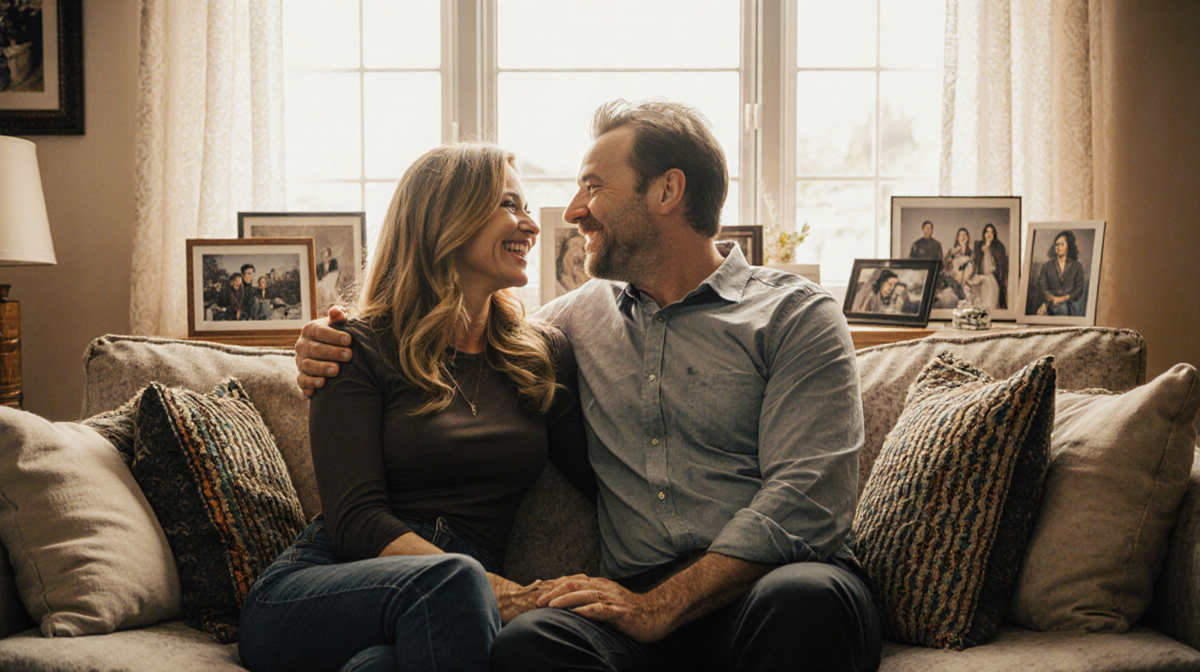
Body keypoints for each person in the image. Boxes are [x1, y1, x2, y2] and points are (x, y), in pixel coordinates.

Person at [294, 100, 881, 672]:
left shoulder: (795, 315)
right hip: (637, 598)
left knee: (807, 600)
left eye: (593, 186)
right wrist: (325, 339)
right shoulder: (565, 324)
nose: (573, 210)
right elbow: (464, 335)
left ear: (667, 191)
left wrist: (665, 605)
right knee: (531, 642)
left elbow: (809, 498)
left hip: (769, 584)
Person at [237, 144, 596, 672]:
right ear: (446, 218)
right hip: (318, 590)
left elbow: (603, 477)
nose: (530, 224)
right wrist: (502, 591)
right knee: (455, 581)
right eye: (508, 205)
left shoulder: (541, 355)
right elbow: (355, 519)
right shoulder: (354, 347)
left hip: (451, 607)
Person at [1034, 230, 1086, 316]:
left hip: (1070, 304)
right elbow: (1042, 287)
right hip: (1050, 303)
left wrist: (1063, 299)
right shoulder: (1047, 266)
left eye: (1062, 244)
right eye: (1057, 245)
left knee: (1063, 308)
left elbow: (1078, 290)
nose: (1059, 248)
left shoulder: (1077, 267)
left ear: (1068, 246)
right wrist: (1051, 300)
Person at [971, 223, 1008, 310]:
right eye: (987, 232)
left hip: (992, 278)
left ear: (994, 234)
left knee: (991, 302)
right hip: (980, 278)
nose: (989, 234)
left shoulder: (998, 247)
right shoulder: (979, 246)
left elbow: (1003, 265)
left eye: (991, 232)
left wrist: (1004, 278)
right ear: (984, 234)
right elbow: (974, 261)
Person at [940, 227, 974, 307]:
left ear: (968, 237)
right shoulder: (952, 250)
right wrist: (954, 254)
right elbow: (947, 265)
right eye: (960, 235)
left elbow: (973, 265)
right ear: (957, 238)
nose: (963, 237)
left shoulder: (971, 252)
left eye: (965, 235)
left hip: (967, 278)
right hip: (954, 277)